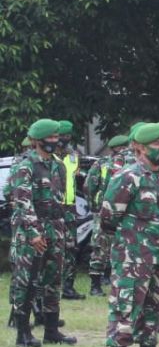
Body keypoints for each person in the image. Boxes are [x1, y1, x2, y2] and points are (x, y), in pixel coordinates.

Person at [100, 122, 159, 347]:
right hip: (133, 256)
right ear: (139, 147)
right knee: (125, 308)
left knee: (154, 309)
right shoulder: (127, 177)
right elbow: (109, 218)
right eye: (157, 144)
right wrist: (131, 243)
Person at [8, 119, 76, 347]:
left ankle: (51, 330)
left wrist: (63, 228)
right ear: (37, 141)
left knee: (53, 280)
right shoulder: (25, 165)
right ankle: (23, 333)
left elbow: (61, 201)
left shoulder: (58, 165)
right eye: (50, 138)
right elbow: (22, 201)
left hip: (54, 230)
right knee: (26, 282)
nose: (55, 142)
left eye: (56, 137)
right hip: (31, 233)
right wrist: (34, 233)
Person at [85, 133, 129, 296]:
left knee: (118, 248)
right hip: (106, 211)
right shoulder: (103, 164)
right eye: (123, 148)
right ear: (116, 149)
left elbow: (88, 186)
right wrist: (95, 206)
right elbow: (90, 186)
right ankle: (95, 285)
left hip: (122, 212)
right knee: (100, 247)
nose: (125, 151)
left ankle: (111, 284)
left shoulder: (132, 163)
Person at [57, 120, 85, 301]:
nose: (64, 139)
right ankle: (50, 287)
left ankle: (67, 286)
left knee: (71, 248)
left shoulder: (74, 155)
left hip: (70, 207)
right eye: (61, 136)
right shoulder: (50, 155)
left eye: (67, 136)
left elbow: (75, 177)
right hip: (54, 207)